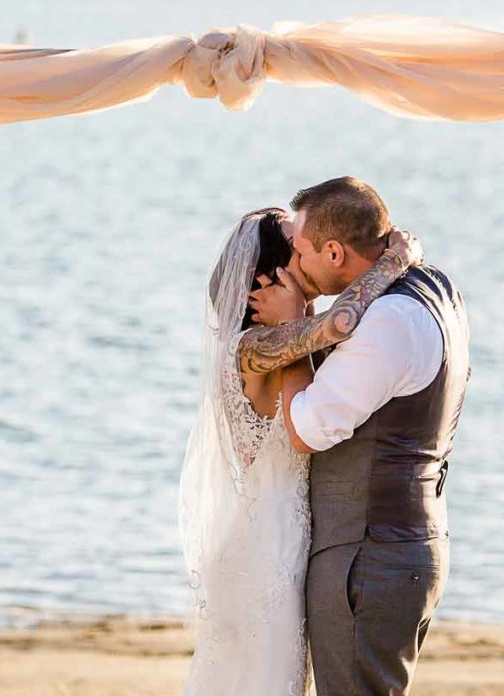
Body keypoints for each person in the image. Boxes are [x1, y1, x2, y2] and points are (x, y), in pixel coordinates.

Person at [179, 204, 421, 695]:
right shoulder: (255, 348)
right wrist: (393, 263)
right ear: (267, 278)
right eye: (296, 247)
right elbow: (340, 325)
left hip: (279, 540)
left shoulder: (281, 339)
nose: (308, 252)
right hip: (265, 551)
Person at [251, 176, 471, 696]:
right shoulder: (432, 284)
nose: (295, 264)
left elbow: (307, 429)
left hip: (368, 558)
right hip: (398, 546)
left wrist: (293, 330)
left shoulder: (390, 319)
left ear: (333, 251)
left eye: (301, 252)